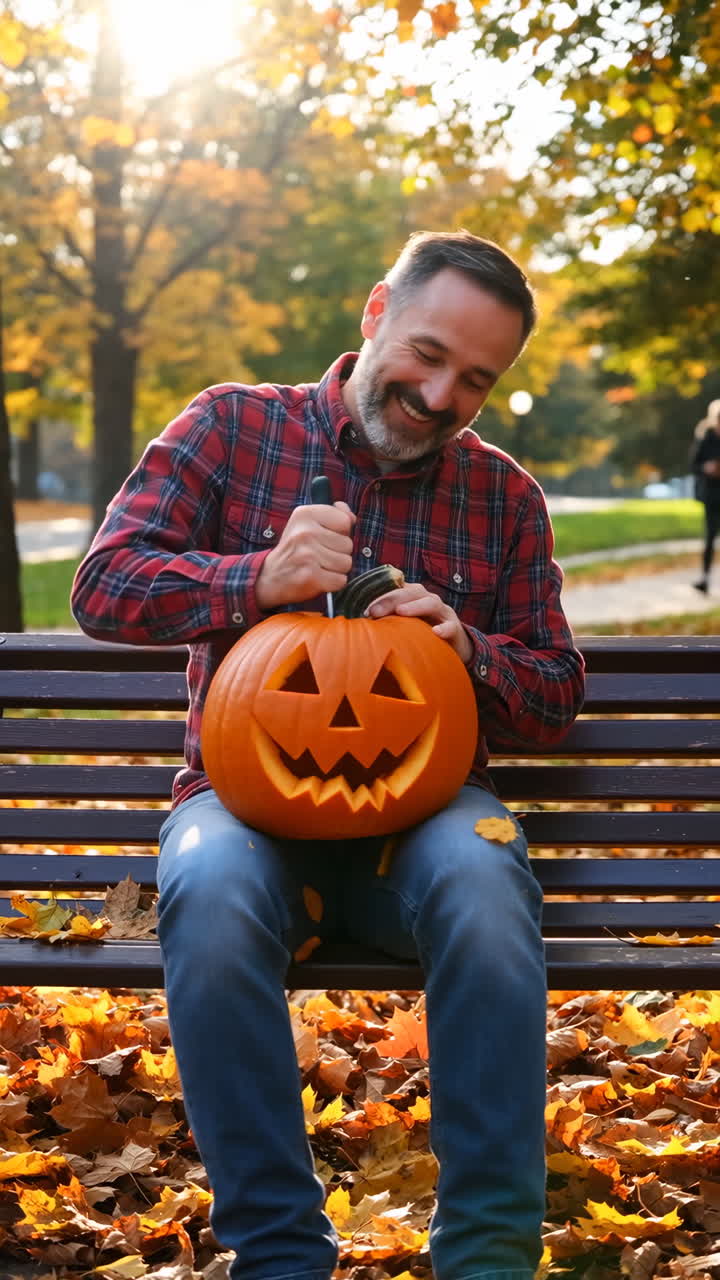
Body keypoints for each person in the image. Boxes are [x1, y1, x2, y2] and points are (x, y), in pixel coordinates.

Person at [71, 229, 585, 1280]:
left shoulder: (505, 499)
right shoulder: (231, 427)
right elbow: (103, 584)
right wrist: (251, 580)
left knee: (489, 882)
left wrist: (469, 649)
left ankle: (488, 1254)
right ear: (374, 314)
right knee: (206, 888)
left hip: (431, 821)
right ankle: (280, 1253)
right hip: (243, 806)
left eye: (476, 380)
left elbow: (555, 694)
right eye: (429, 354)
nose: (442, 395)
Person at [690, 398, 720, 593]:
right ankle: (705, 578)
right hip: (712, 494)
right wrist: (706, 468)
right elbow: (693, 465)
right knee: (710, 537)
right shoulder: (706, 439)